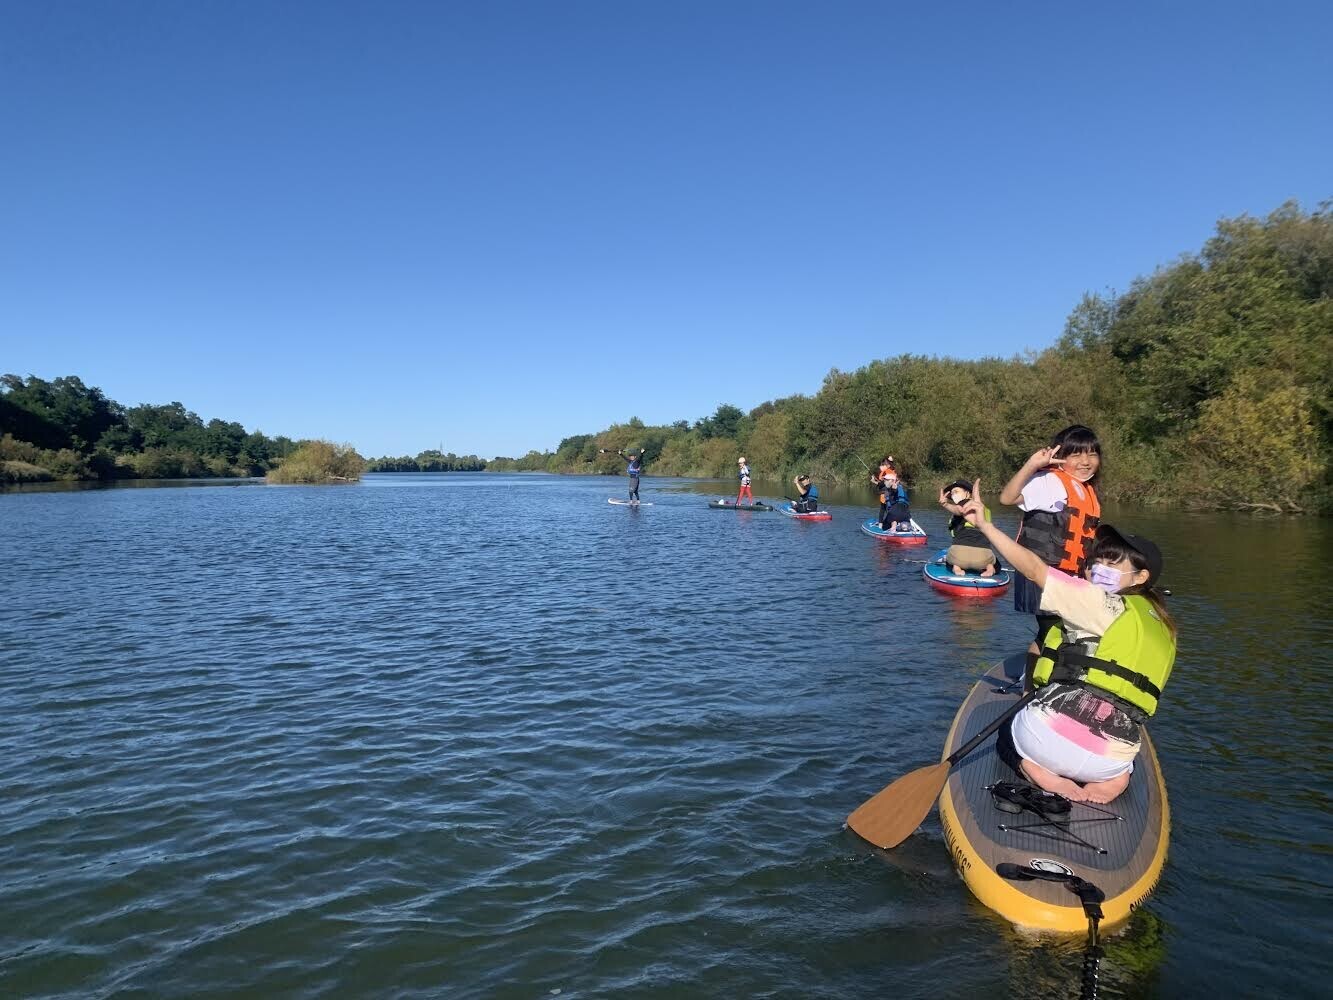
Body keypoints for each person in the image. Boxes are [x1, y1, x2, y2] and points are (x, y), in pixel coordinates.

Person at [960, 482, 1175, 804]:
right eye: (1097, 561)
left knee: (1007, 733)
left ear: (1141, 577)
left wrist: (986, 526)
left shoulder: (1096, 600)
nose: (1097, 568)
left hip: (1047, 743)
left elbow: (1034, 569)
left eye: (1112, 563)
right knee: (1124, 756)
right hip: (1110, 759)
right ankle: (1114, 781)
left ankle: (1037, 770)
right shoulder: (1164, 626)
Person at [999, 425, 1102, 664]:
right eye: (1076, 454)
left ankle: (1041, 676)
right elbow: (1007, 498)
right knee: (1053, 630)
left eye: (1092, 454)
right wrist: (1032, 465)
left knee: (1054, 632)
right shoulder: (1049, 481)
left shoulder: (1086, 489)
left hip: (1068, 574)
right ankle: (1035, 681)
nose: (1085, 461)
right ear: (1060, 456)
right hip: (1042, 571)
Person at [938, 480, 998, 577]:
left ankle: (956, 567)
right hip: (983, 558)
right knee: (995, 562)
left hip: (959, 557)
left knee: (949, 561)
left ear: (967, 493)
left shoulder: (963, 504)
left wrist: (946, 504)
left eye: (956, 491)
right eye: (952, 493)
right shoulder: (984, 509)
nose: (953, 495)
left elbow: (959, 510)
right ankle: (990, 567)